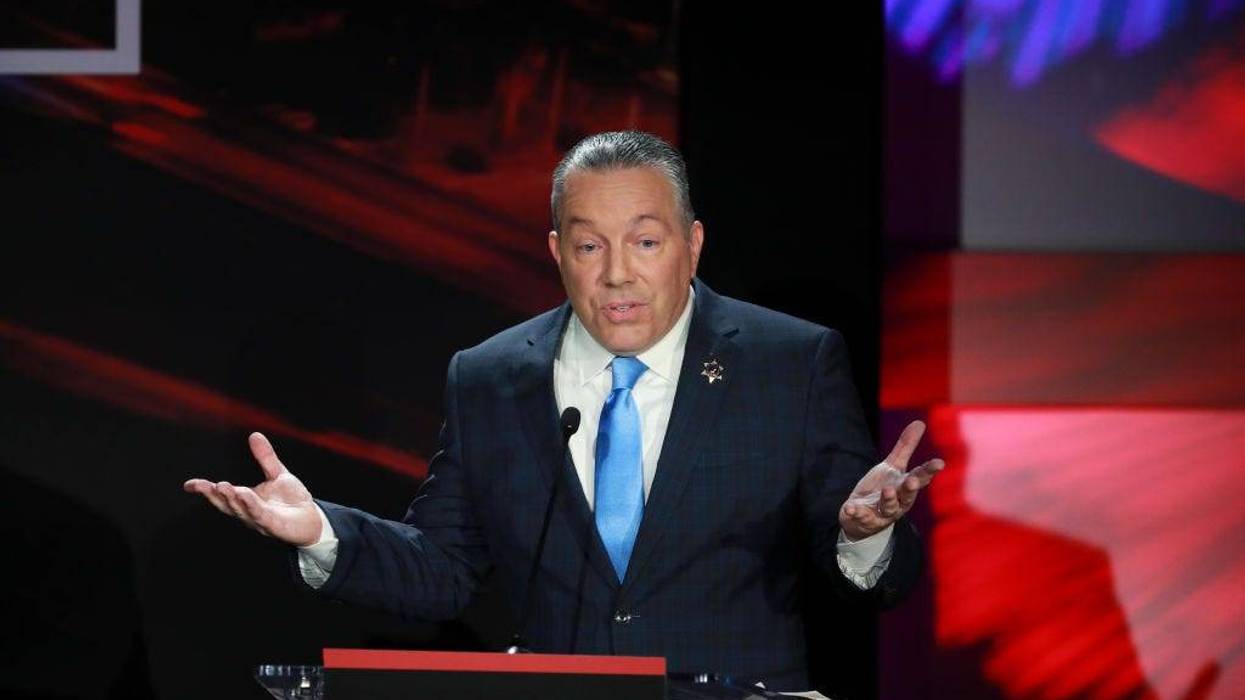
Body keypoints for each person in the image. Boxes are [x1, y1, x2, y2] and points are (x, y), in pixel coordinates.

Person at [184, 131, 943, 692]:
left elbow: (872, 578)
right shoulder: (490, 377)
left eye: (645, 242)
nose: (617, 273)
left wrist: (864, 537)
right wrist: (321, 532)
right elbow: (445, 569)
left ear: (692, 243)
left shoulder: (787, 362)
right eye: (589, 247)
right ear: (555, 250)